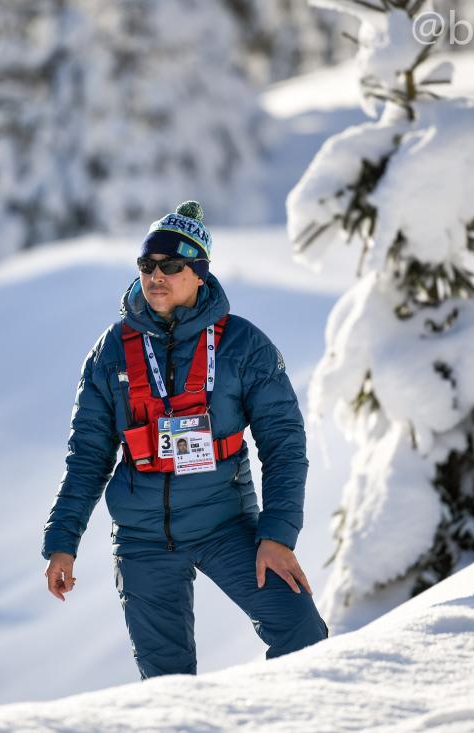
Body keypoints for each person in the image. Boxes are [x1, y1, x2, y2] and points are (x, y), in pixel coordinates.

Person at [42, 201, 328, 679]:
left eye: (171, 266)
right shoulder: (112, 351)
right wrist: (62, 542)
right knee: (166, 687)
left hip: (226, 526)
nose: (156, 276)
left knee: (302, 633)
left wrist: (277, 536)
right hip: (142, 539)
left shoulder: (243, 346)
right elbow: (88, 456)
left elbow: (284, 446)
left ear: (198, 273)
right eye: (147, 266)